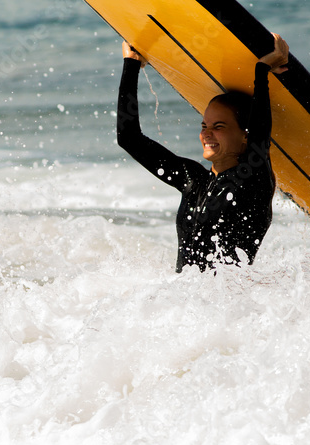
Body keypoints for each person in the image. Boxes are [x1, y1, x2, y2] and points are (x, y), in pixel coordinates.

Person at [116, 33, 290, 272]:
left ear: (244, 135)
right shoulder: (193, 180)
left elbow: (261, 131)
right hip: (183, 302)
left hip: (228, 305)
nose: (207, 134)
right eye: (204, 126)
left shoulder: (252, 178)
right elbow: (129, 139)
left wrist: (262, 71)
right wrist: (132, 64)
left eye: (218, 127)